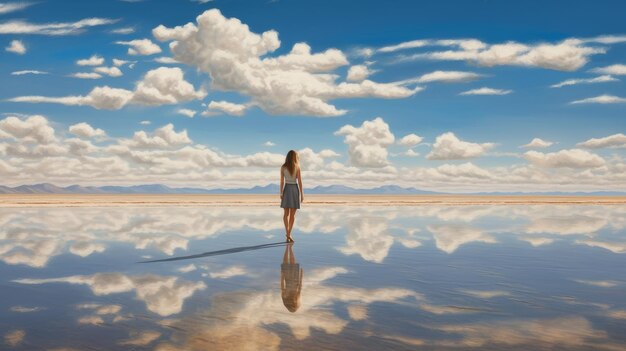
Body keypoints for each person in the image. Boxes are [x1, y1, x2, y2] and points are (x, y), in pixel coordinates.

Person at [280, 150, 303, 243]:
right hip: (294, 189)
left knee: (286, 214)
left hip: (286, 189)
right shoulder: (297, 166)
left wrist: (281, 192)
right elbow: (300, 182)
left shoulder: (283, 167)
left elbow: (282, 181)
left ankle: (288, 234)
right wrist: (302, 194)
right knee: (292, 214)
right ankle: (289, 234)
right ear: (294, 156)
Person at [281, 243, 303, 312]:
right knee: (287, 262)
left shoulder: (294, 298)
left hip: (292, 279)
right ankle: (288, 247)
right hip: (289, 279)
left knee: (289, 261)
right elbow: (282, 287)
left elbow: (300, 286)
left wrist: (301, 275)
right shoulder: (286, 298)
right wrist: (282, 276)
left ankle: (289, 247)